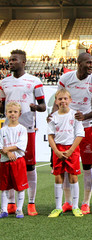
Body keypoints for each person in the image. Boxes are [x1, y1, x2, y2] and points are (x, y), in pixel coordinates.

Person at [57, 52, 92, 215]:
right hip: (67, 129)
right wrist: (53, 118)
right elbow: (58, 101)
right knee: (65, 166)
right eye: (88, 63)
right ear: (79, 64)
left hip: (87, 127)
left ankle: (86, 202)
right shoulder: (65, 79)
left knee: (87, 165)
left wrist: (85, 116)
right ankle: (68, 202)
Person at [0, 49, 46, 216]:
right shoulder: (4, 82)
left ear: (23, 62)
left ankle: (31, 203)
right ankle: (11, 204)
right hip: (8, 130)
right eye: (10, 60)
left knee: (29, 166)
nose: (10, 62)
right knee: (8, 165)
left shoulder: (34, 81)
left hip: (26, 130)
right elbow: (2, 106)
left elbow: (43, 106)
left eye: (14, 60)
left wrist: (34, 107)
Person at [47, 89, 84, 218]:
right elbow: (50, 136)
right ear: (56, 101)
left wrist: (70, 151)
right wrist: (56, 151)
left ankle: (75, 206)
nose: (63, 101)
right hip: (58, 149)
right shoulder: (53, 117)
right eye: (60, 99)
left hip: (71, 149)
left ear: (70, 100)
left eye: (65, 98)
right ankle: (58, 207)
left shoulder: (75, 115)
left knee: (73, 177)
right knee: (58, 177)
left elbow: (79, 135)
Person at [0, 102, 28, 219]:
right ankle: (4, 209)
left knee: (20, 187)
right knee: (4, 187)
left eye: (15, 112)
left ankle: (19, 209)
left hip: (18, 161)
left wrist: (8, 148)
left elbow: (21, 145)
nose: (12, 114)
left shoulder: (22, 129)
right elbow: (1, 146)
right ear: (6, 113)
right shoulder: (2, 130)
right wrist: (7, 152)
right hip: (5, 161)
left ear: (19, 114)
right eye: (10, 111)